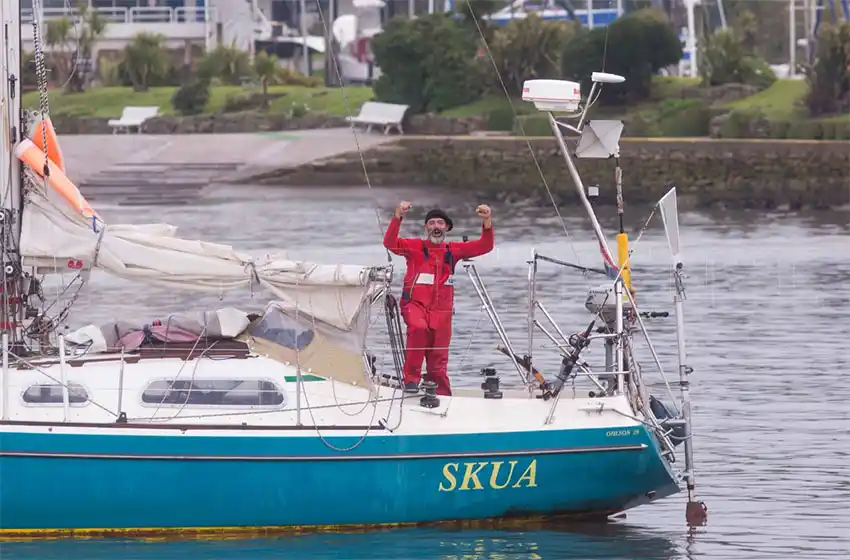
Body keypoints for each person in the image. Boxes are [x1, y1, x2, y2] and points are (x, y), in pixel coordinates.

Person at [383, 201, 495, 396]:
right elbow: (390, 243)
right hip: (414, 306)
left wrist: (487, 220)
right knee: (418, 330)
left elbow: (485, 246)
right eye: (432, 223)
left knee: (439, 357)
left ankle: (442, 394)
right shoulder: (414, 247)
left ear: (447, 228)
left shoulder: (453, 250)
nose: (436, 226)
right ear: (426, 227)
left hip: (442, 312)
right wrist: (398, 215)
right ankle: (411, 379)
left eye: (440, 223)